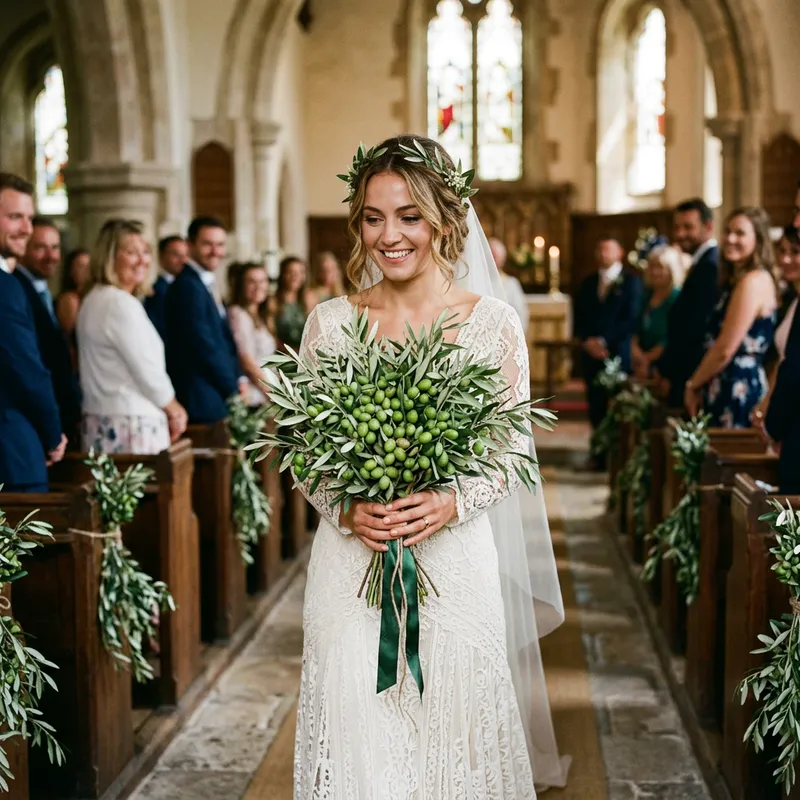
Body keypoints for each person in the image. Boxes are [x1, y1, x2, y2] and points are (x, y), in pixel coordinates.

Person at [292, 135, 568, 797]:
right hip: (351, 561)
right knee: (357, 736)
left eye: (408, 215)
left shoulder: (493, 325)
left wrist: (451, 501)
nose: (390, 235)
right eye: (373, 216)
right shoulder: (329, 325)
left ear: (445, 220)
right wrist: (346, 507)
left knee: (454, 743)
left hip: (454, 561)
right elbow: (303, 453)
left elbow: (510, 454)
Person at [77, 220, 187, 454]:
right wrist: (174, 408)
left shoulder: (94, 298)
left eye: (145, 252)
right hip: (130, 424)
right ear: (109, 257)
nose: (142, 261)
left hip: (105, 418)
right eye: (131, 253)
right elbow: (145, 368)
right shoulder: (118, 303)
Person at [0, 173, 66, 491]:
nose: (26, 228)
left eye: (28, 217)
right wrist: (53, 432)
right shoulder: (5, 286)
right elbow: (26, 368)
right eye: (15, 217)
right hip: (10, 451)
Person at [684, 207, 777, 427]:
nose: (730, 239)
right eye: (727, 231)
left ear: (759, 239)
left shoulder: (752, 281)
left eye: (740, 233)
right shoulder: (738, 280)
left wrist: (693, 384)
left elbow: (725, 348)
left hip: (737, 386)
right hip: (723, 381)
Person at [165, 216, 241, 423]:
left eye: (220, 245)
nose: (215, 251)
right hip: (201, 395)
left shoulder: (203, 282)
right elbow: (203, 344)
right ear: (190, 245)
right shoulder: (188, 286)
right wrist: (232, 385)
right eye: (207, 244)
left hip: (213, 393)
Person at [14, 217, 82, 444]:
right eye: (40, 248)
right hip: (33, 423)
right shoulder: (15, 289)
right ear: (23, 247)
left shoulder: (43, 293)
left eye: (55, 248)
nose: (51, 256)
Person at [574, 235, 643, 434]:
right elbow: (579, 317)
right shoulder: (588, 282)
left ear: (619, 252)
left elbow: (631, 318)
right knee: (595, 404)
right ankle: (597, 449)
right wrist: (588, 341)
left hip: (618, 352)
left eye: (608, 249)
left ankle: (615, 454)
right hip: (591, 355)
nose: (603, 254)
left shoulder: (631, 282)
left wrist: (604, 341)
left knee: (619, 405)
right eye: (600, 249)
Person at [655, 198, 720, 407]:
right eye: (677, 227)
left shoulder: (709, 266)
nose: (680, 234)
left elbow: (695, 328)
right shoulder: (701, 263)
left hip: (690, 372)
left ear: (708, 227)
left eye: (688, 227)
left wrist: (669, 372)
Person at [752, 225, 800, 426]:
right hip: (778, 399)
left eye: (795, 252)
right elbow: (780, 362)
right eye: (782, 251)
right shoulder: (790, 301)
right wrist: (764, 405)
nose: (785, 259)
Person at [227, 261, 277, 407]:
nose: (258, 286)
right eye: (252, 282)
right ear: (241, 285)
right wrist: (272, 393)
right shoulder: (238, 314)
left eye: (262, 281)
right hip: (254, 395)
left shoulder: (260, 315)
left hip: (265, 390)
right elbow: (246, 361)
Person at [631, 244, 682, 379]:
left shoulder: (676, 298)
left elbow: (673, 336)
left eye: (660, 267)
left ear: (671, 270)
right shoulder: (646, 296)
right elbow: (636, 328)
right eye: (652, 266)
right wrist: (637, 353)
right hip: (640, 363)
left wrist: (647, 359)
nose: (655, 272)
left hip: (665, 365)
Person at [144, 235, 188, 341]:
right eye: (176, 255)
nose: (183, 260)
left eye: (186, 255)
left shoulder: (186, 285)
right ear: (161, 257)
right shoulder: (157, 292)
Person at [270, 255, 311, 351]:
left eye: (300, 272)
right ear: (282, 274)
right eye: (290, 272)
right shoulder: (273, 301)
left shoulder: (309, 299)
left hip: (307, 355)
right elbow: (272, 335)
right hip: (282, 356)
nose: (295, 276)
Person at [489, 236, 530, 333]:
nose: (492, 260)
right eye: (490, 255)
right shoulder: (476, 279)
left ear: (502, 259)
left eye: (495, 256)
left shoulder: (511, 283)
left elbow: (521, 313)